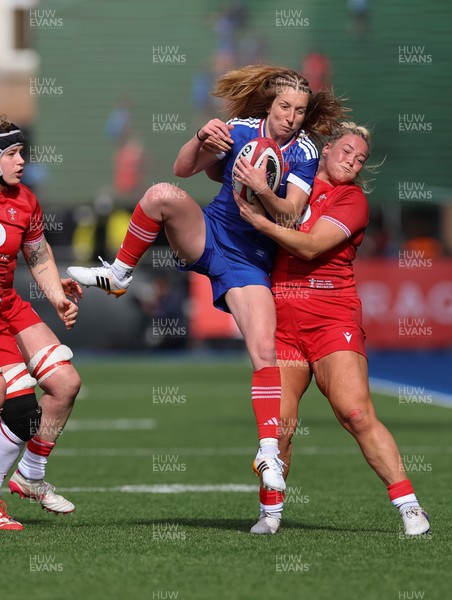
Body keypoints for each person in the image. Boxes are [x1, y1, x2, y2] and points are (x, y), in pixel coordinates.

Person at [68, 65, 346, 493]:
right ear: (269, 106)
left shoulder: (306, 151)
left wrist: (261, 188)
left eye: (299, 110)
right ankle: (119, 274)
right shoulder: (239, 129)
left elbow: (290, 214)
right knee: (161, 195)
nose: (291, 116)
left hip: (249, 260)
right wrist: (201, 137)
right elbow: (182, 169)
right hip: (208, 232)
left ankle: (268, 451)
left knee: (263, 350)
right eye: (285, 106)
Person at [233, 122, 430, 536]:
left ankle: (410, 506)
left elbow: (308, 245)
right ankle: (270, 515)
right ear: (324, 150)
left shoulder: (352, 199)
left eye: (360, 158)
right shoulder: (290, 178)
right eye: (346, 151)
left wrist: (259, 216)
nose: (353, 161)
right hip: (282, 317)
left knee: (355, 412)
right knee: (279, 425)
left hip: (331, 316)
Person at [0, 116, 81, 524]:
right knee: (15, 408)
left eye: (21, 151)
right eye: (11, 153)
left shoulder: (24, 200)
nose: (21, 160)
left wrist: (56, 297)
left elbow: (38, 253)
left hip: (8, 304)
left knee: (65, 384)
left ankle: (30, 474)